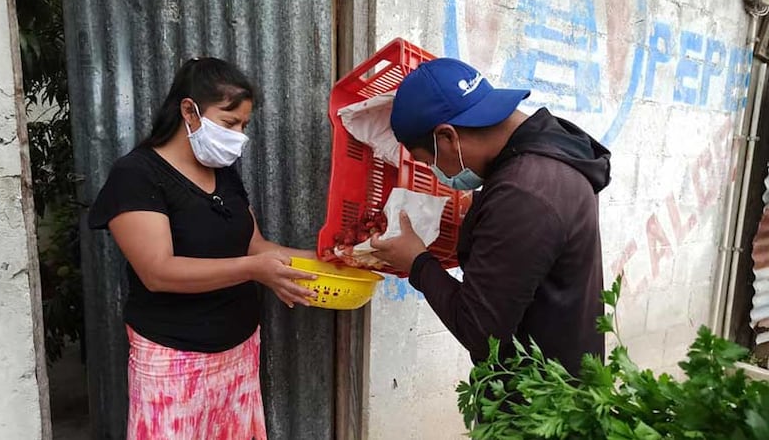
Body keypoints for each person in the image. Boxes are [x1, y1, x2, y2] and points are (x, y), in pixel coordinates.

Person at [88, 57, 318, 440]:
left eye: (244, 125)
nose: (238, 136)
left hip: (238, 352)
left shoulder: (224, 173)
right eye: (229, 123)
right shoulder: (136, 175)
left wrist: (328, 259)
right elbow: (158, 272)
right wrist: (254, 270)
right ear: (188, 111)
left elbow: (256, 246)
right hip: (173, 359)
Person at [371, 57, 611, 378]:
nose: (435, 173)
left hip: (538, 396)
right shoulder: (552, 151)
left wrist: (417, 262)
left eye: (428, 162)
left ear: (447, 137)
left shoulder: (522, 194)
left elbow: (480, 334)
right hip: (568, 375)